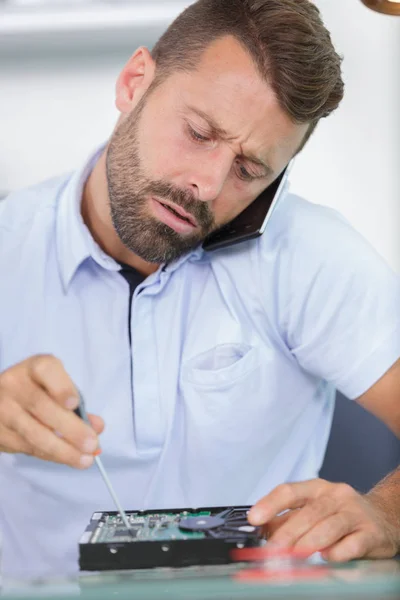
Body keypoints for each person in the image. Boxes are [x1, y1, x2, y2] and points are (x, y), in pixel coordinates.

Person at [0, 0, 399, 579]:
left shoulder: (310, 257)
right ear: (135, 82)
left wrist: (386, 513)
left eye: (250, 170)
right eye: (198, 133)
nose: (206, 184)